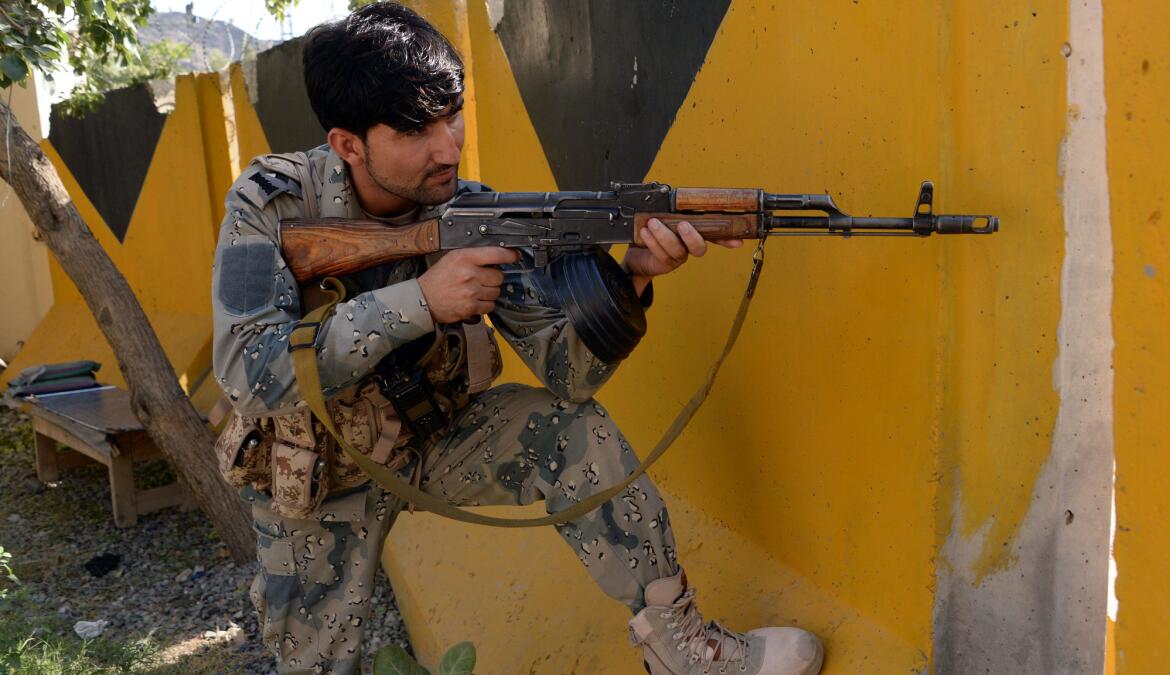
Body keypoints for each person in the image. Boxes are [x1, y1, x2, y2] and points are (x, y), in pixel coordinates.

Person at [210, 3, 824, 674]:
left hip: (434, 438)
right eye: (417, 130)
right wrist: (422, 300)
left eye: (453, 115)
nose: (448, 147)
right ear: (348, 144)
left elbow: (572, 374)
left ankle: (684, 652)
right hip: (317, 474)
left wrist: (634, 279)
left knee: (573, 430)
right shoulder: (272, 203)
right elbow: (248, 371)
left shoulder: (472, 207)